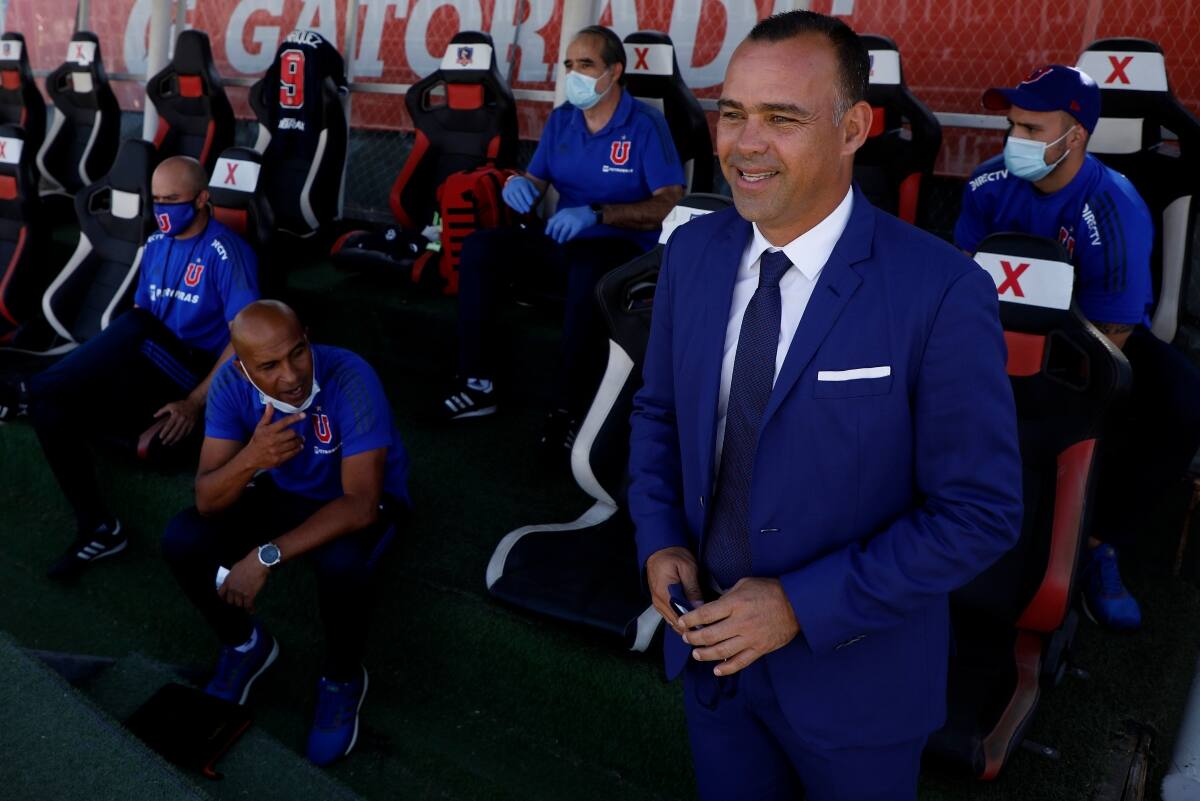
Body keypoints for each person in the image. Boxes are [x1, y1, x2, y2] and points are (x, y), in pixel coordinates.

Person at [627, 12, 1023, 800]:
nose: (745, 144)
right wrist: (660, 536)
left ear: (853, 129)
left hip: (858, 687)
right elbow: (659, 414)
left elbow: (979, 512)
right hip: (714, 665)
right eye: (733, 113)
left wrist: (798, 606)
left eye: (781, 118)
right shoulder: (692, 254)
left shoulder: (941, 290)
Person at [955, 64, 1200, 630]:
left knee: (1182, 402)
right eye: (1012, 127)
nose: (1015, 140)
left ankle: (1094, 543)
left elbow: (1113, 339)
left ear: (1076, 135)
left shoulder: (1115, 207)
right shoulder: (988, 184)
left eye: (1032, 130)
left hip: (1086, 344)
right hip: (992, 336)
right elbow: (961, 277)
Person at [161, 300, 410, 766]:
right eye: (269, 366)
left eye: (297, 352)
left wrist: (264, 556)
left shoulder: (351, 376)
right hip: (289, 491)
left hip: (364, 500)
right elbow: (207, 498)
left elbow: (360, 503)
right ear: (243, 368)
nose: (291, 375)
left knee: (342, 565)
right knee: (183, 538)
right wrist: (251, 458)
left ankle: (342, 678)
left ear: (307, 337)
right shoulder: (231, 384)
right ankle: (244, 645)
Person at [438, 25, 685, 453]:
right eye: (570, 64)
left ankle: (566, 410)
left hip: (623, 248)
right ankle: (477, 384)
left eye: (586, 64)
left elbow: (670, 202)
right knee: (481, 248)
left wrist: (598, 214)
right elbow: (536, 179)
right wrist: (519, 185)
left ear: (614, 71)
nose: (574, 74)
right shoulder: (563, 119)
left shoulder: (646, 124)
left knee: (588, 269)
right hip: (563, 239)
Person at [28, 155, 259, 580]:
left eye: (173, 200)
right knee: (49, 408)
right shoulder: (154, 244)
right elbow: (142, 318)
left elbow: (245, 342)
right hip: (150, 365)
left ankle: (28, 388)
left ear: (202, 199)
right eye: (156, 201)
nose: (162, 210)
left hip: (191, 373)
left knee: (132, 325)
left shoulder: (227, 251)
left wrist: (194, 402)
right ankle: (99, 528)